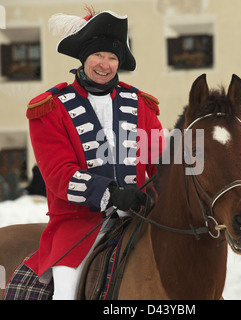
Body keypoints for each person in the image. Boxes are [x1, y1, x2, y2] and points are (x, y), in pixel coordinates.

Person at [25, 8, 164, 300]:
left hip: (139, 220)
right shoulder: (51, 108)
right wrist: (112, 193)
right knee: (66, 293)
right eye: (98, 56)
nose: (105, 64)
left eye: (113, 58)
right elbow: (59, 175)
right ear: (84, 58)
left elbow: (161, 164)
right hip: (78, 228)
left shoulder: (141, 105)